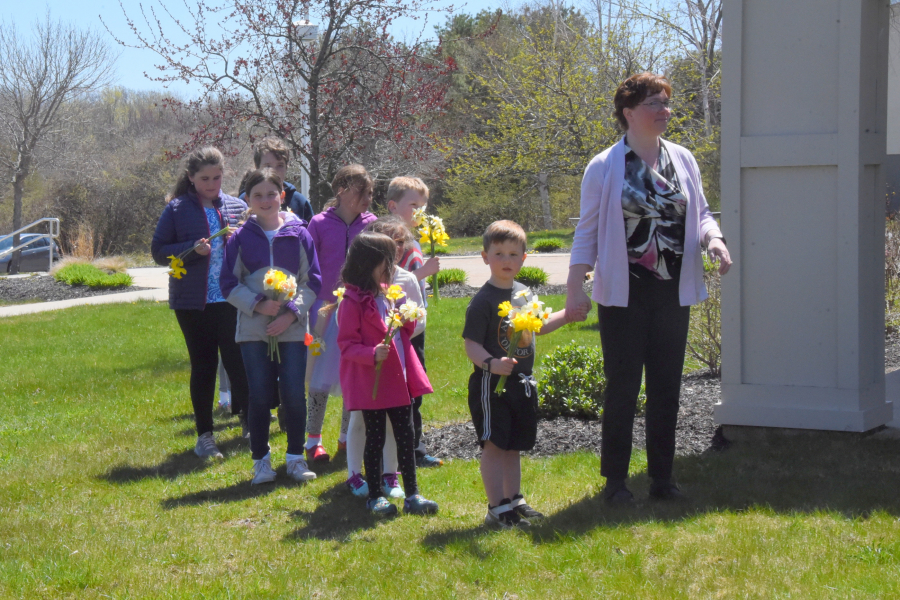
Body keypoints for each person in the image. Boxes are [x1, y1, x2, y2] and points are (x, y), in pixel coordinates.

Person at [565, 72, 732, 504]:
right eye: (654, 103)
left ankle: (662, 478)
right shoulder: (605, 165)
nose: (665, 110)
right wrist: (574, 288)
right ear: (628, 113)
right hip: (624, 294)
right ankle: (616, 481)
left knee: (666, 389)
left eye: (666, 102)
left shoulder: (683, 158)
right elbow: (586, 233)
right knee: (621, 388)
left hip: (673, 293)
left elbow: (703, 213)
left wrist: (713, 239)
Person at [463, 220, 578, 527]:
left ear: (524, 258)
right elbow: (471, 343)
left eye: (513, 254)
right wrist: (490, 363)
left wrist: (567, 315)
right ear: (485, 256)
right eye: (499, 253)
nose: (506, 260)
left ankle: (514, 500)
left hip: (522, 384)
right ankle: (496, 508)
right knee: (495, 443)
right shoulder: (483, 301)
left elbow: (537, 325)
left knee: (514, 445)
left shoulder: (524, 294)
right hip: (492, 384)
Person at [220, 168, 321, 483]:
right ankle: (261, 461)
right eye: (257, 195)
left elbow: (312, 281)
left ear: (283, 197)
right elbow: (227, 283)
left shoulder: (300, 233)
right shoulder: (239, 238)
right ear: (247, 200)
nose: (265, 200)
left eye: (271, 194)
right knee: (260, 394)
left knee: (293, 393)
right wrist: (257, 304)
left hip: (290, 330)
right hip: (253, 331)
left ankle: (294, 459)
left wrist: (290, 313)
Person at [151, 147, 250, 459]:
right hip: (195, 303)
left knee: (239, 364)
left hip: (233, 298)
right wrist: (192, 250)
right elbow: (158, 251)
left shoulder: (237, 206)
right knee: (204, 366)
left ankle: (250, 423)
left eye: (217, 177)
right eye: (204, 178)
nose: (212, 184)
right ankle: (204, 436)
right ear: (191, 178)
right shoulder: (178, 209)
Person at [337, 231, 438, 517]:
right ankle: (375, 496)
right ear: (367, 262)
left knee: (406, 435)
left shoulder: (388, 294)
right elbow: (346, 345)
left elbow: (400, 331)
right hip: (373, 384)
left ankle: (413, 494)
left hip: (398, 379)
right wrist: (370, 355)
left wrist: (406, 321)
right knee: (376, 437)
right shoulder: (352, 302)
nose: (391, 269)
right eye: (386, 262)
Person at [304, 165, 378, 464]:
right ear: (341, 191)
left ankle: (347, 438)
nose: (368, 198)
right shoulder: (319, 223)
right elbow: (307, 265)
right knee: (319, 374)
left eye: (371, 193)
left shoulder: (372, 224)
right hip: (324, 307)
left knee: (354, 371)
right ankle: (312, 440)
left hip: (359, 305)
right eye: (362, 192)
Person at [385, 176, 443, 468]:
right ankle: (406, 447)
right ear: (394, 206)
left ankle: (413, 444)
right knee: (404, 386)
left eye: (424, 206)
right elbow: (393, 282)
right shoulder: (395, 244)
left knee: (414, 386)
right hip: (397, 328)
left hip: (415, 325)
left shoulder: (416, 242)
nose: (421, 212)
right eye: (414, 206)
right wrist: (423, 274)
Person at [239, 137, 314, 223]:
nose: (274, 171)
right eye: (267, 166)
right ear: (257, 167)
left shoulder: (299, 202)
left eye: (280, 165)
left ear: (286, 167)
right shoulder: (244, 201)